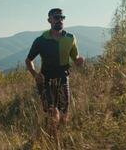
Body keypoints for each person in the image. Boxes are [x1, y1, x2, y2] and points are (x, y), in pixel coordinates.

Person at [25, 8, 84, 138]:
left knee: (64, 114)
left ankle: (60, 138)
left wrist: (79, 60)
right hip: (45, 80)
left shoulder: (70, 38)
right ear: (49, 20)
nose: (60, 20)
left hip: (63, 78)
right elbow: (28, 60)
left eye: (62, 17)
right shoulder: (41, 40)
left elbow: (75, 58)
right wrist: (35, 75)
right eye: (56, 17)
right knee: (53, 113)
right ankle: (52, 140)